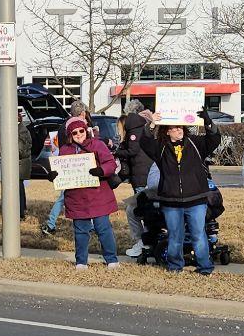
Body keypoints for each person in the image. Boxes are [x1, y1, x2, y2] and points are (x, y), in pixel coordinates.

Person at [141, 108, 221, 275]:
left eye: (180, 128)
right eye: (174, 128)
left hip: (196, 199)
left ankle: (205, 267)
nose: (178, 131)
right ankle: (175, 266)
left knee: (198, 235)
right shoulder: (161, 148)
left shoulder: (195, 143)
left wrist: (207, 121)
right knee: (175, 236)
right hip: (171, 201)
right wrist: (152, 123)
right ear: (167, 131)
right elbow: (145, 142)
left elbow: (214, 139)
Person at [54, 115, 121, 270]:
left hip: (98, 195)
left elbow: (110, 163)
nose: (79, 135)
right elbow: (60, 170)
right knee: (80, 231)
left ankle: (111, 259)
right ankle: (81, 261)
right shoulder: (65, 150)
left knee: (103, 228)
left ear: (86, 130)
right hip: (77, 197)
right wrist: (54, 175)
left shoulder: (97, 145)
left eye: (81, 131)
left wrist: (101, 170)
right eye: (75, 133)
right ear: (69, 135)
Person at [42, 101, 91, 236]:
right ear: (82, 113)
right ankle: (51, 223)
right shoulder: (82, 128)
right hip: (79, 166)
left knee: (64, 196)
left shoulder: (63, 126)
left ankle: (51, 223)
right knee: (76, 195)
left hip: (65, 164)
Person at [117, 100, 155, 257]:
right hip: (150, 174)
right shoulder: (148, 126)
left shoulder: (134, 129)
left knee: (135, 211)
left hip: (140, 177)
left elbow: (132, 151)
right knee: (149, 212)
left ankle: (143, 242)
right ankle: (149, 241)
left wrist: (117, 152)